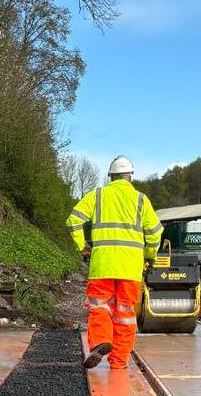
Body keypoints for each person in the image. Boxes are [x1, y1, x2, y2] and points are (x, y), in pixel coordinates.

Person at [66, 155, 162, 369]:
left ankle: (101, 340)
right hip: (130, 269)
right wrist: (150, 256)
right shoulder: (141, 200)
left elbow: (73, 220)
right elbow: (155, 232)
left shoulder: (98, 195)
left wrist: (82, 245)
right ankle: (118, 362)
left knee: (100, 307)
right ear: (130, 177)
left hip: (102, 266)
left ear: (110, 177)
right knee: (125, 314)